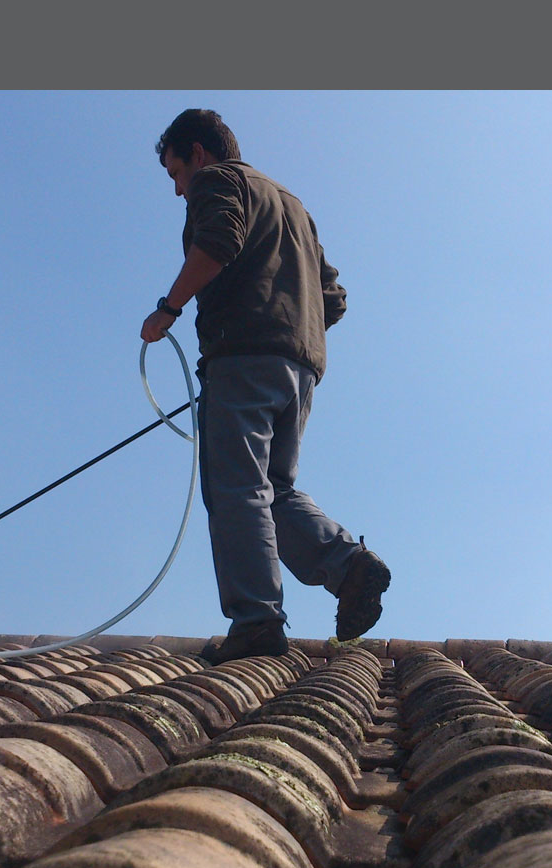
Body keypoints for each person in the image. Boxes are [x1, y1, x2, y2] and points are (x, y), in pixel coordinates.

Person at [141, 108, 390, 664]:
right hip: (300, 367)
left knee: (236, 490)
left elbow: (219, 240)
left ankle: (256, 623)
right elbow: (334, 300)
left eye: (176, 174)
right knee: (272, 488)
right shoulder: (293, 205)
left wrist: (168, 309)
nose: (179, 190)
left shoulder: (219, 180)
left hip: (244, 358)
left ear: (198, 154)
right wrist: (288, 332)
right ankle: (350, 568)